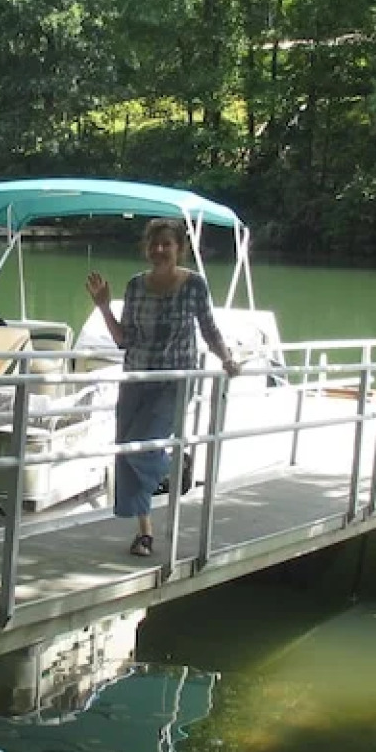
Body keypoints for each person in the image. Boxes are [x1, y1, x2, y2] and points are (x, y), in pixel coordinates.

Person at [85, 218, 241, 557]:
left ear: (179, 248)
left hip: (173, 382)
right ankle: (145, 533)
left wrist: (226, 359)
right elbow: (124, 339)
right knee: (127, 451)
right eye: (154, 244)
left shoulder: (194, 285)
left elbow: (209, 330)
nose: (159, 250)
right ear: (147, 248)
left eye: (166, 244)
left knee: (140, 447)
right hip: (136, 379)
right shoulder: (135, 286)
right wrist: (102, 306)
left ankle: (173, 463)